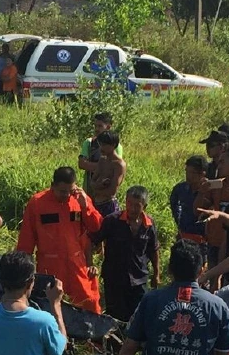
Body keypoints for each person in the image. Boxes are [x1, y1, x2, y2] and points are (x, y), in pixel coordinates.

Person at [16, 167, 103, 313]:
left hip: (77, 266)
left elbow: (96, 227)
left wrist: (85, 206)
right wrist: (24, 272)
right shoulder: (37, 203)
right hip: (50, 267)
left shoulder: (80, 199)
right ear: (52, 186)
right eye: (63, 191)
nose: (67, 195)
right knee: (50, 307)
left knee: (89, 303)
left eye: (71, 191)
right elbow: (26, 240)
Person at [90, 185, 160, 321]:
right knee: (115, 318)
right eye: (129, 203)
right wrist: (90, 263)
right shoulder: (112, 220)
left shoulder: (149, 224)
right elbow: (93, 241)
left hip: (139, 279)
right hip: (114, 278)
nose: (132, 208)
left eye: (137, 205)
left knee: (138, 317)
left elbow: (154, 250)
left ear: (144, 206)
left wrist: (156, 274)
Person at [89, 131, 127, 217]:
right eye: (100, 144)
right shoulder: (102, 160)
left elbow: (112, 191)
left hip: (109, 205)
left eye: (104, 145)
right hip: (96, 204)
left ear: (113, 145)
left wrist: (97, 190)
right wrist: (99, 185)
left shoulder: (119, 165)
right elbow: (92, 181)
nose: (101, 148)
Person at [78, 112, 118, 187]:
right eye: (95, 126)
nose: (96, 129)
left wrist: (91, 165)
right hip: (89, 187)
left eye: (100, 126)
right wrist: (104, 166)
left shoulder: (116, 145)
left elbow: (116, 166)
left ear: (108, 127)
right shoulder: (89, 143)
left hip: (107, 188)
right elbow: (82, 164)